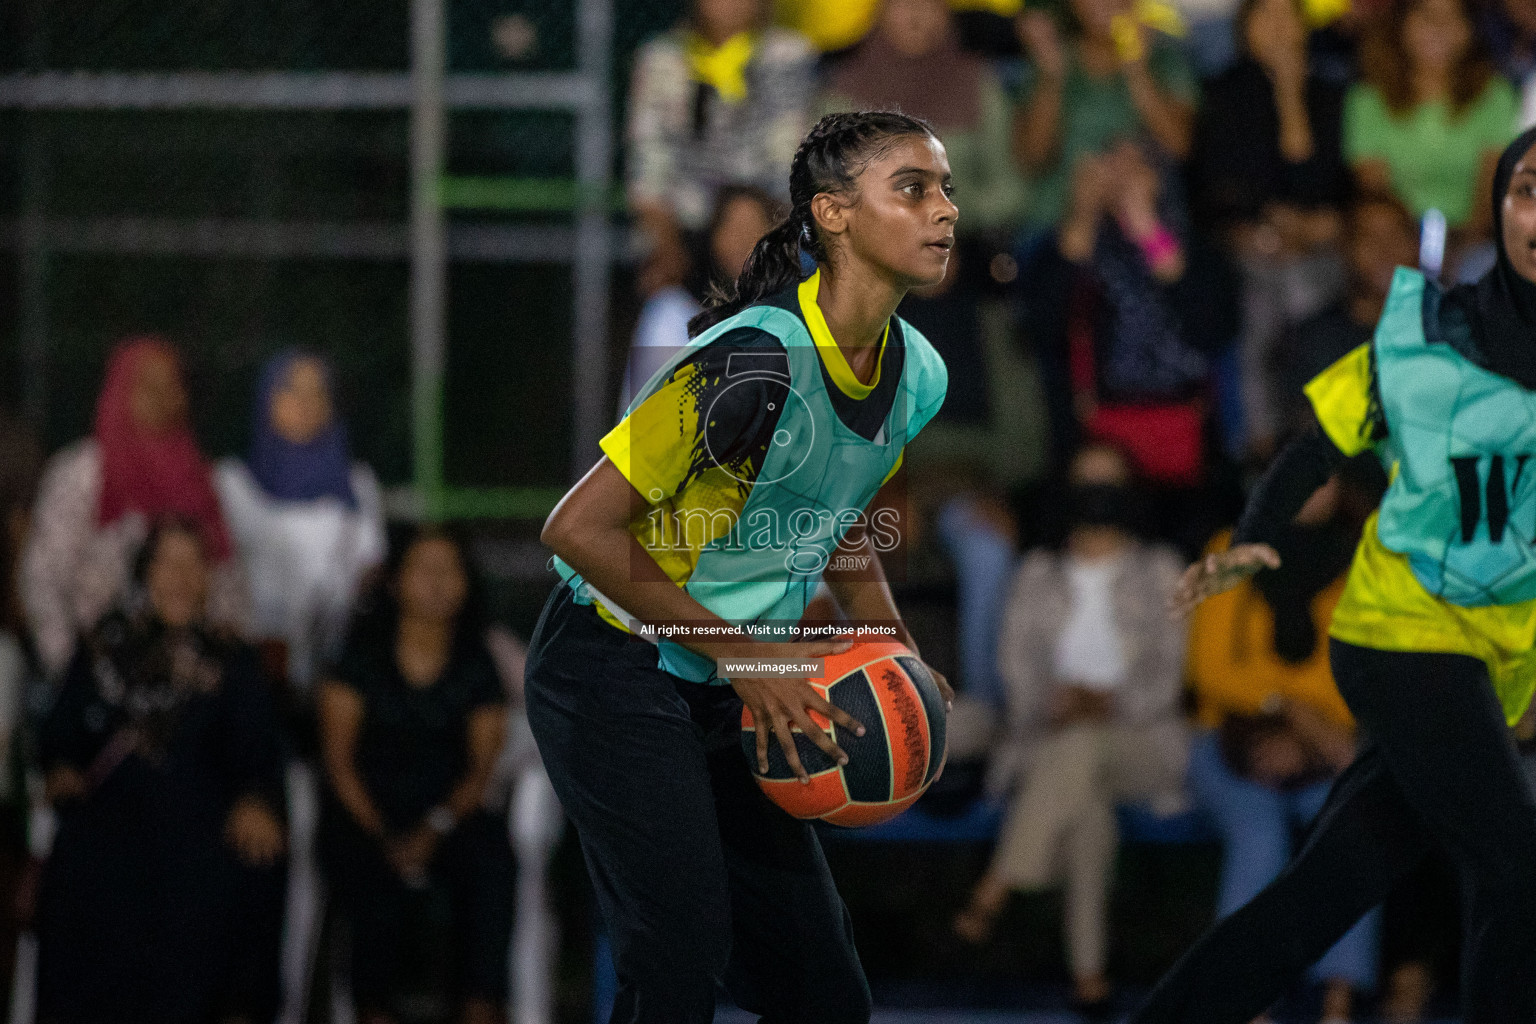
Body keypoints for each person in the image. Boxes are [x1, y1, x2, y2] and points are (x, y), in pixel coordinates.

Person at [526, 110, 954, 1024]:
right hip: (612, 662)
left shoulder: (917, 372)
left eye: (946, 188)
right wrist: (750, 660)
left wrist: (892, 645)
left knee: (827, 995)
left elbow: (838, 515)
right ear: (834, 215)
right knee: (678, 960)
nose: (944, 210)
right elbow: (577, 530)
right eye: (913, 188)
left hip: (729, 677)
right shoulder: (754, 360)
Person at [1128, 125, 1536, 1024]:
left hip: (1496, 657)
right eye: (1527, 189)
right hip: (1404, 638)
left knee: (1327, 893)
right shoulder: (1435, 334)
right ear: (1496, 210)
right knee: (1516, 861)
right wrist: (1254, 538)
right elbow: (1316, 449)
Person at [951, 442, 1188, 1013]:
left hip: (1143, 743)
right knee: (1084, 806)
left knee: (1083, 750)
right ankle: (1090, 980)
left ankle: (997, 886)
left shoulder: (1160, 570)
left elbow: (1170, 672)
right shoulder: (1038, 572)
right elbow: (1015, 670)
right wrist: (1058, 703)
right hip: (1049, 737)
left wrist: (1106, 701)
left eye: (1110, 487)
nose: (1098, 502)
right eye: (1086, 486)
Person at [34, 518, 287, 1024]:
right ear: (144, 574)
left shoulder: (231, 658)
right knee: (85, 874)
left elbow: (260, 747)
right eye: (167, 563)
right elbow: (62, 733)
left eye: (193, 565)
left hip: (202, 829)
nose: (180, 577)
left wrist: (258, 798)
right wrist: (62, 769)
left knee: (245, 868)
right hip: (113, 824)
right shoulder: (105, 648)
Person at [214, 349, 386, 1024]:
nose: (307, 404)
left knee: (329, 844)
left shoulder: (357, 488)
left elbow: (364, 598)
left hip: (332, 699)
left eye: (320, 391)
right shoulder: (230, 485)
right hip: (253, 695)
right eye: (292, 389)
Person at [1184, 477, 1377, 1023]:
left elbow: (1358, 673)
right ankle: (1249, 1004)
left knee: (1351, 827)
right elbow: (1210, 669)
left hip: (1320, 748)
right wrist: (1285, 706)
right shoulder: (1230, 550)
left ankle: (1338, 1001)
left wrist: (1305, 730)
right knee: (1258, 834)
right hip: (1229, 743)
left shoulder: (1366, 556)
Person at [317, 527, 513, 1024]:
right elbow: (338, 763)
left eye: (449, 569)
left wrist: (435, 829)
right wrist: (384, 833)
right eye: (423, 569)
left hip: (448, 817)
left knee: (492, 862)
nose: (436, 582)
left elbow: (480, 770)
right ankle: (371, 1009)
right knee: (364, 869)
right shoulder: (359, 657)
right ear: (395, 581)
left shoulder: (479, 664)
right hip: (368, 814)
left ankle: (480, 1006)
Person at [22, 336, 247, 681]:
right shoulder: (83, 474)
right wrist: (73, 673)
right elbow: (43, 580)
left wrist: (219, 672)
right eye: (148, 385)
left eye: (172, 384)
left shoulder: (200, 477)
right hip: (96, 671)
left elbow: (226, 585)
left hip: (187, 679)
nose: (162, 395)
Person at [1191, 0, 1353, 459]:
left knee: (1310, 305)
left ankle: (1319, 449)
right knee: (1257, 314)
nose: (1279, 29)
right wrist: (1261, 229)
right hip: (1246, 247)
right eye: (1267, 16)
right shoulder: (1222, 94)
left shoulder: (1330, 92)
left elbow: (1324, 185)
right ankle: (1258, 451)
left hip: (1317, 249)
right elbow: (1216, 188)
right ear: (1245, 29)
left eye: (1289, 16)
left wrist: (1290, 98)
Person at [626, 0, 815, 298]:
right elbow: (648, 168)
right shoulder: (661, 58)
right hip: (685, 226)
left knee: (745, 226)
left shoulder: (787, 54)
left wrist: (765, 232)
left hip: (764, 219)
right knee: (663, 286)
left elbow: (788, 162)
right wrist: (667, 247)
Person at [1345, 0, 1517, 278]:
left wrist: (1457, 248)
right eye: (1426, 16)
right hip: (1395, 245)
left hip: (1470, 245)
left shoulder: (1495, 97)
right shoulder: (1368, 100)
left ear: (1470, 29)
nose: (1439, 28)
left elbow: (1491, 193)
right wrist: (1411, 252)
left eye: (1452, 17)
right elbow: (1376, 196)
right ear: (1402, 23)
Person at [1010, 0, 1199, 234]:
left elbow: (1180, 145)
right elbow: (1032, 160)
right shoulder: (1051, 58)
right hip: (1056, 227)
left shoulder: (1165, 59)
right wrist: (1052, 75)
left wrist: (1137, 68)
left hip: (1144, 229)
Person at [620, 186, 784, 412]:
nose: (743, 241)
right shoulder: (672, 314)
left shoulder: (795, 312)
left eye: (753, 229)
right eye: (734, 229)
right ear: (714, 238)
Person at [1270, 194, 1421, 435]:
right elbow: (1308, 437)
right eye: (1369, 239)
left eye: (1396, 237)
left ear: (1416, 245)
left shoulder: (1445, 331)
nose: (1385, 251)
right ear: (1346, 249)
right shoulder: (1314, 338)